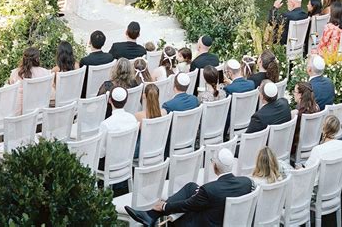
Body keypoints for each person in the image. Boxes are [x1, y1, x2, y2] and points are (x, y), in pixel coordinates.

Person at [124, 147, 254, 227]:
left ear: (215, 167)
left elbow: (187, 205)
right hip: (227, 219)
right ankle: (150, 216)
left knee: (181, 211)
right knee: (191, 187)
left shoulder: (210, 190)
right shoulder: (246, 182)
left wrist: (164, 206)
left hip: (204, 223)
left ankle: (151, 215)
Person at [98, 87, 138, 159]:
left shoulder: (106, 124)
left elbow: (100, 153)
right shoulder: (133, 119)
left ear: (110, 100)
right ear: (126, 101)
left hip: (108, 164)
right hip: (126, 159)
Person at [9, 47, 50, 113]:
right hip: (38, 108)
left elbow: (11, 89)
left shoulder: (16, 73)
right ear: (37, 59)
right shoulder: (45, 72)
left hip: (20, 112)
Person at [80, 30, 114, 96]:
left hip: (86, 94)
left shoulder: (85, 61)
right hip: (105, 90)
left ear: (90, 42)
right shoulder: (110, 57)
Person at [292, 82, 320, 155]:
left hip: (297, 146)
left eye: (294, 91)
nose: (293, 93)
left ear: (300, 95)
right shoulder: (316, 107)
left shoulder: (296, 113)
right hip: (313, 143)